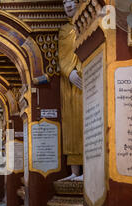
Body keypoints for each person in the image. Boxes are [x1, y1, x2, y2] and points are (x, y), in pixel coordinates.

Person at [59, 0, 83, 181]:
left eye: (72, 0)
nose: (68, 4)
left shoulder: (88, 23)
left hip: (86, 76)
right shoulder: (64, 31)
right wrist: (69, 72)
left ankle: (89, 168)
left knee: (88, 121)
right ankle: (75, 172)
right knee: (71, 125)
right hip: (70, 81)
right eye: (64, 1)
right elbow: (63, 57)